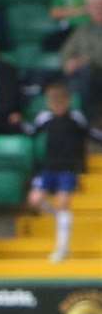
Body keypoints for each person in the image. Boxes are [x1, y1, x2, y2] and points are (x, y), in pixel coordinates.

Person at [25, 82, 102, 262]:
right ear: (48, 102)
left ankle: (62, 248)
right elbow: (30, 132)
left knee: (63, 201)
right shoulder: (44, 118)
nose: (57, 105)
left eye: (61, 101)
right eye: (53, 101)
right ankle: (60, 217)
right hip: (49, 167)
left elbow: (90, 133)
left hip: (68, 168)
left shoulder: (76, 117)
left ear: (68, 101)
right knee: (35, 200)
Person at [60, 0, 102, 119]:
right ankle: (76, 118)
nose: (99, 10)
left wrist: (83, 60)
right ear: (89, 10)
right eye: (95, 7)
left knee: (84, 72)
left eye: (101, 6)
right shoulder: (82, 29)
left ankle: (84, 118)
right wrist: (68, 62)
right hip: (82, 73)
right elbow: (66, 50)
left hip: (98, 72)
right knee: (74, 75)